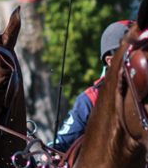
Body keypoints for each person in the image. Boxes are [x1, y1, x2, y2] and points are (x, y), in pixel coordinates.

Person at [52, 19, 132, 152]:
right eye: (130, 54)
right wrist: (48, 153)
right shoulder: (89, 100)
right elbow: (61, 144)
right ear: (111, 61)